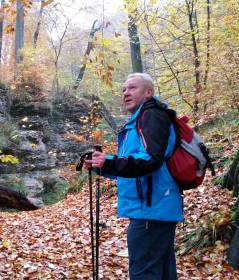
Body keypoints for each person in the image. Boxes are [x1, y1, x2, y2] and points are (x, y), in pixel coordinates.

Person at [84, 73, 183, 280]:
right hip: (154, 209)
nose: (126, 93)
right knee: (162, 272)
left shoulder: (151, 116)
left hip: (151, 210)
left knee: (144, 273)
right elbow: (133, 163)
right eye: (123, 90)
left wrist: (110, 162)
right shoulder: (139, 120)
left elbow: (150, 159)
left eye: (132, 88)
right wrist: (102, 165)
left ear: (148, 93)